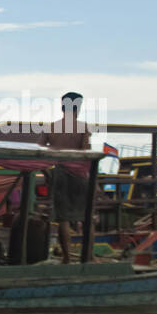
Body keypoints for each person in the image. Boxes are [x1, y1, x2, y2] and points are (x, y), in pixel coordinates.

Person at [38, 92, 91, 263]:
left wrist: (47, 171)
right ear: (79, 107)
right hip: (79, 174)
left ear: (62, 107)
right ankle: (88, 256)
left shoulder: (51, 127)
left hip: (59, 173)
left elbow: (39, 151)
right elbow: (85, 153)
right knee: (87, 217)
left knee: (63, 219)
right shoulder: (83, 128)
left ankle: (67, 258)